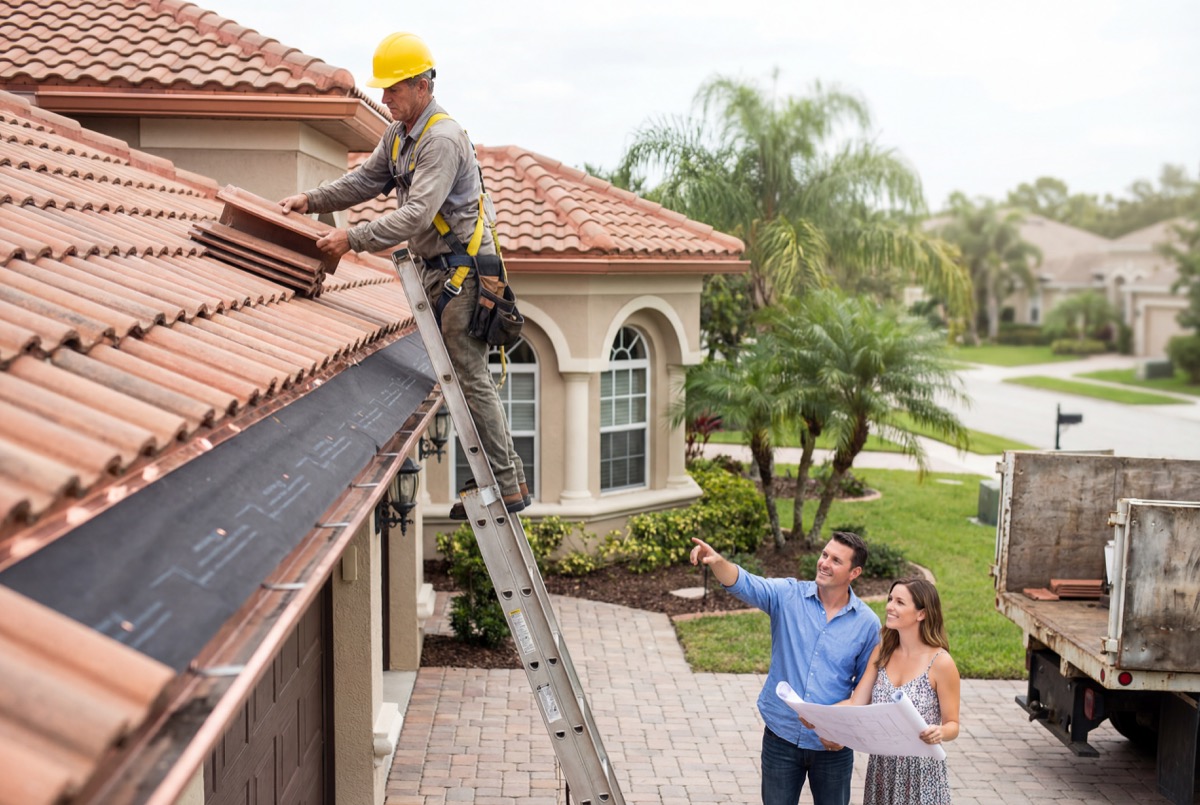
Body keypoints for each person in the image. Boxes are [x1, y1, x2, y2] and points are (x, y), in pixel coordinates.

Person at [279, 32, 526, 518]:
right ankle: (496, 479)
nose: (384, 98)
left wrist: (352, 239)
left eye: (392, 89)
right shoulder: (399, 137)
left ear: (421, 85)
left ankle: (506, 482)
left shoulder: (441, 138)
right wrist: (312, 199)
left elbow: (416, 216)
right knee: (456, 377)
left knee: (469, 376)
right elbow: (364, 181)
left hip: (465, 275)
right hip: (438, 273)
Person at [690, 532, 881, 805]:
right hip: (781, 738)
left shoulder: (867, 624)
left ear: (855, 572)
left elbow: (866, 688)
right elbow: (744, 583)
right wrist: (717, 561)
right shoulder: (787, 596)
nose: (824, 563)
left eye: (836, 560)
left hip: (832, 748)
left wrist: (841, 731)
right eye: (824, 554)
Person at [843, 578, 961, 805]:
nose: (889, 606)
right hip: (882, 770)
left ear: (921, 614)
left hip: (921, 774)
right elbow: (856, 702)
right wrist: (817, 715)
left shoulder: (941, 663)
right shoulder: (882, 652)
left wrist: (941, 732)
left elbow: (953, 724)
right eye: (890, 599)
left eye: (899, 602)